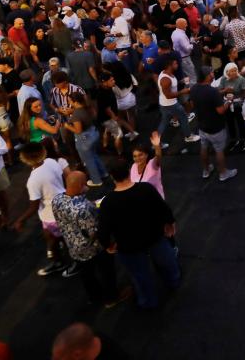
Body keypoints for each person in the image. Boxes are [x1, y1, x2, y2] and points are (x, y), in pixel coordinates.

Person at [97, 158, 180, 310]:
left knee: (141, 276)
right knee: (167, 263)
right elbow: (163, 208)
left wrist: (107, 245)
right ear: (129, 171)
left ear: (111, 176)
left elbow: (103, 230)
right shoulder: (146, 188)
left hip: (129, 247)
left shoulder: (108, 202)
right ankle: (173, 282)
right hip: (155, 237)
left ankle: (149, 301)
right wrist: (169, 223)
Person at [52, 170, 125, 308]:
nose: (87, 184)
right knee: (107, 272)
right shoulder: (83, 209)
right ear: (80, 185)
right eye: (85, 182)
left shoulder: (58, 199)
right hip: (93, 248)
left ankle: (94, 297)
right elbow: (94, 233)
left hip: (73, 247)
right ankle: (111, 298)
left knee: (87, 275)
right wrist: (109, 243)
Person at [11, 141, 70, 277]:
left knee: (54, 239)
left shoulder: (33, 180)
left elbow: (34, 206)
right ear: (43, 152)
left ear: (24, 159)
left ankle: (61, 262)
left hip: (50, 215)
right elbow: (62, 181)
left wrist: (21, 220)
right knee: (59, 238)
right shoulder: (51, 162)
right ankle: (62, 261)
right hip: (63, 206)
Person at [188, 67, 237, 182]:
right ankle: (223, 173)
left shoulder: (194, 88)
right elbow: (220, 110)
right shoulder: (212, 92)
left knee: (204, 148)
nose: (212, 74)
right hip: (216, 127)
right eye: (211, 73)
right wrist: (229, 102)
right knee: (219, 150)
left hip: (202, 126)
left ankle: (206, 170)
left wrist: (223, 91)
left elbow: (191, 105)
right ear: (207, 76)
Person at [63, 91, 108, 188]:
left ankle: (96, 180)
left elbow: (78, 131)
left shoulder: (76, 115)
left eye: (70, 101)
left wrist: (67, 126)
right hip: (93, 134)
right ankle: (104, 173)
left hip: (84, 140)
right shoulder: (88, 108)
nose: (69, 103)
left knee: (88, 160)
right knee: (94, 155)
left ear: (75, 102)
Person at [155, 55, 197, 154]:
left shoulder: (167, 74)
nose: (177, 65)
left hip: (164, 104)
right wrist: (184, 91)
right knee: (183, 117)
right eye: (175, 63)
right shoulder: (166, 80)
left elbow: (170, 87)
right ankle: (188, 136)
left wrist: (181, 81)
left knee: (164, 122)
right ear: (170, 66)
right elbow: (168, 95)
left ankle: (157, 142)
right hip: (170, 104)